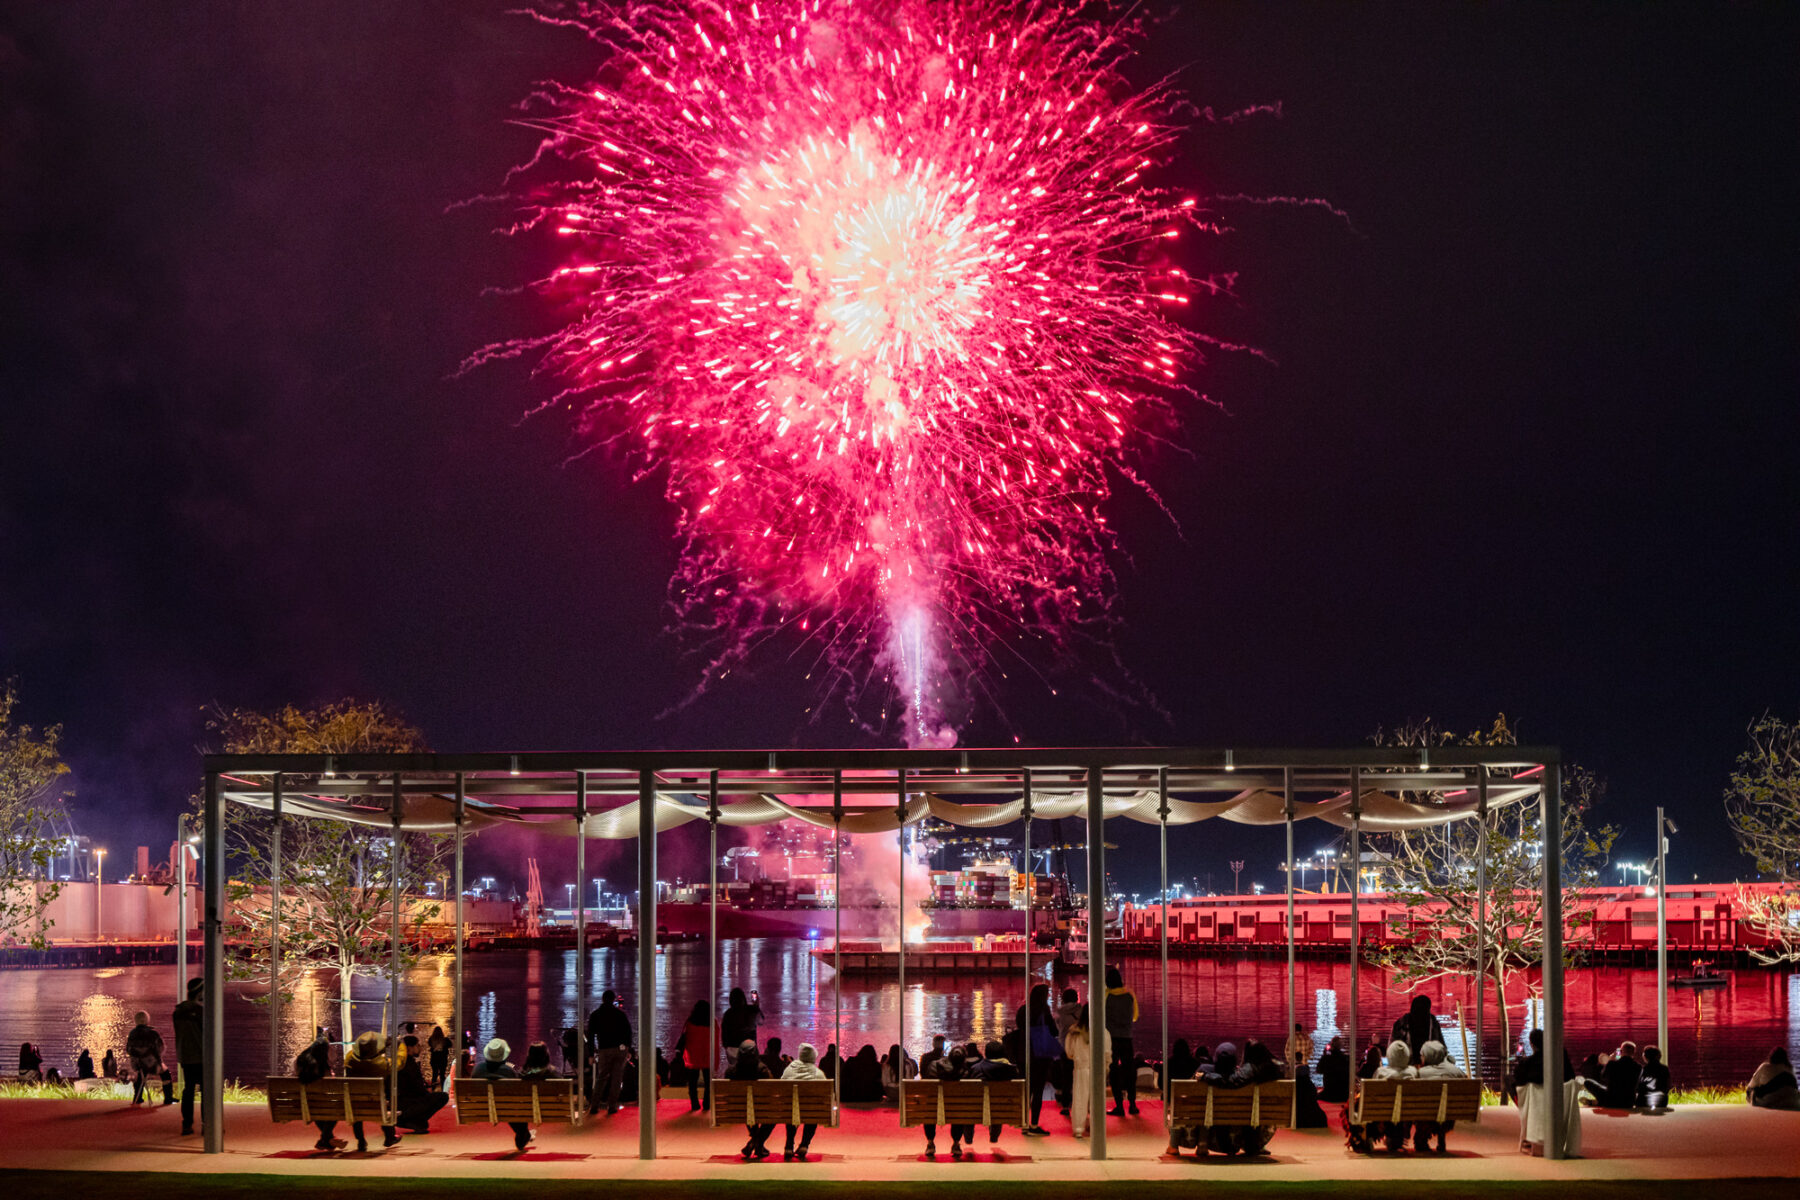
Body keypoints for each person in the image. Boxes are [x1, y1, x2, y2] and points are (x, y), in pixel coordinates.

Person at [343, 1031, 401, 1151]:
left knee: (356, 1108)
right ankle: (389, 1136)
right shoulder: (380, 1065)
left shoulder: (350, 1059)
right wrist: (401, 1046)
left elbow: (365, 1056)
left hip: (354, 1102)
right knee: (383, 1104)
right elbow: (399, 1062)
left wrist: (384, 1045)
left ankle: (361, 1140)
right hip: (376, 1103)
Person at [470, 1038, 531, 1151]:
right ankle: (523, 1134)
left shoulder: (477, 1069)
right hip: (506, 1107)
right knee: (511, 1107)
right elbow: (517, 1093)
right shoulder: (508, 1071)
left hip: (482, 1107)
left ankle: (523, 1134)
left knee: (505, 1105)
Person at [1013, 983, 1058, 1133]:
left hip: (1023, 1054)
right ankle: (1034, 1124)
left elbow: (1019, 1027)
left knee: (1027, 1090)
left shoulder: (1023, 1010)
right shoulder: (1044, 1011)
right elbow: (1054, 1030)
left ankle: (1024, 1123)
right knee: (1038, 1091)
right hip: (1040, 1055)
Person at [1410, 1040, 1466, 1152]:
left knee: (1422, 1109)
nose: (1421, 1058)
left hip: (1426, 1117)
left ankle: (1421, 1139)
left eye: (1422, 1055)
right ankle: (1441, 1137)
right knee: (1442, 1108)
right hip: (1448, 1117)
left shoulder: (1421, 1073)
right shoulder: (1457, 1072)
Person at [1064, 1003, 1110, 1139]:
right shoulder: (1103, 1031)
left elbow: (1069, 1052)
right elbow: (1107, 1052)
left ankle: (1078, 1128)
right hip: (1098, 1068)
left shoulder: (1074, 1032)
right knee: (1097, 1100)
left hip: (1081, 1067)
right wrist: (1107, 1066)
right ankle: (1096, 1126)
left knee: (1079, 1098)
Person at [294, 1035, 345, 1151]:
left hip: (305, 1103)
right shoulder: (323, 1067)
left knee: (318, 1110)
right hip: (322, 1104)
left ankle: (327, 1139)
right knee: (335, 1110)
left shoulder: (299, 1062)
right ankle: (325, 1139)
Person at [922, 1044, 972, 1158]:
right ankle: (955, 1144)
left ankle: (930, 1143)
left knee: (930, 1110)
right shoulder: (965, 1071)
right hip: (955, 1108)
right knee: (958, 1110)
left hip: (934, 1106)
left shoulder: (934, 1065)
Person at [728, 1039, 775, 1159]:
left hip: (739, 1108)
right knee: (774, 1115)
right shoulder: (762, 1070)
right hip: (761, 1108)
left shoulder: (731, 1072)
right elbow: (771, 1091)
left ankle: (754, 1142)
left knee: (748, 1111)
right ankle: (757, 1143)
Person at [587, 990, 632, 1115]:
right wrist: (628, 1048)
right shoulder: (620, 1014)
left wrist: (591, 1054)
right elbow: (628, 1032)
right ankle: (612, 1106)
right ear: (613, 1000)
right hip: (619, 1050)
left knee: (601, 1078)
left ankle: (594, 1105)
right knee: (616, 1079)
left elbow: (590, 1035)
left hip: (604, 1050)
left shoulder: (595, 1015)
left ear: (602, 999)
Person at [779, 1043, 826, 1160]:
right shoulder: (818, 1074)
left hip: (790, 1110)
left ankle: (789, 1145)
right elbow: (824, 1095)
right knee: (812, 1112)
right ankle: (804, 1144)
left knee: (792, 1110)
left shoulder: (789, 1070)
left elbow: (781, 1088)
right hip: (810, 1111)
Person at [1103, 966, 1139, 1116]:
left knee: (1114, 1071)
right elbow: (1135, 1016)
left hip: (1111, 1039)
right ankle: (1132, 1104)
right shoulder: (1130, 995)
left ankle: (1119, 1106)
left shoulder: (1106, 996)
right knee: (1129, 1071)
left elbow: (1100, 1016)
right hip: (1127, 1038)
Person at [970, 1039, 1019, 1148]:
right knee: (998, 1104)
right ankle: (994, 1135)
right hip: (1002, 1107)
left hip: (975, 1107)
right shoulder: (1011, 1070)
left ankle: (968, 1136)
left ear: (986, 1054)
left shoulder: (975, 1069)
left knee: (971, 1103)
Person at [171, 977, 204, 1134]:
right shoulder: (201, 1012)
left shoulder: (178, 1012)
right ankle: (208, 1123)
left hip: (186, 1056)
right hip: (202, 1056)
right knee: (207, 1090)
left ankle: (187, 1124)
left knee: (188, 1089)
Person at [396, 1038, 450, 1133]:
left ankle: (415, 1120)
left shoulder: (398, 1063)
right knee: (443, 1097)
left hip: (400, 1101)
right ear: (410, 1048)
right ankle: (414, 1119)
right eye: (417, 1045)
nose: (420, 1048)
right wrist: (427, 1094)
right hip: (409, 1102)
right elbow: (417, 1088)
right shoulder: (410, 1064)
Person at [675, 1000, 716, 1111]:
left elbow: (686, 1039)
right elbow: (716, 1042)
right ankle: (707, 1103)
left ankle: (694, 1103)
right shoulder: (712, 1023)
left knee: (692, 1081)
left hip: (693, 1056)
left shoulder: (690, 1023)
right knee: (708, 1082)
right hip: (707, 1056)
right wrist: (715, 1061)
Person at [1583, 1040, 1642, 1109]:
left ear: (1621, 1051)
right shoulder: (1638, 1067)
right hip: (1628, 1102)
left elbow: (1603, 1077)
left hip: (1611, 1100)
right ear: (1634, 1052)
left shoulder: (1613, 1064)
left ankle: (1598, 1102)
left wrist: (1610, 1061)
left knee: (1587, 1082)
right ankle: (1597, 1102)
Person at [125, 1012, 169, 1105]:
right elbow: (160, 1048)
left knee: (141, 1075)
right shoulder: (152, 1033)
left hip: (137, 1064)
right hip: (151, 1065)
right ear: (147, 1020)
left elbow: (128, 1049)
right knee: (165, 1073)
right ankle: (168, 1098)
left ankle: (137, 1097)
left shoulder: (132, 1034)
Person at [1051, 986, 1080, 1115]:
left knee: (1066, 1076)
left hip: (1064, 1046)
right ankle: (1079, 1102)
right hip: (1079, 1046)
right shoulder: (1081, 1010)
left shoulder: (1059, 1012)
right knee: (1080, 1075)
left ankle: (1065, 1105)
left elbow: (1057, 1027)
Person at [719, 988, 763, 1069]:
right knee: (750, 1069)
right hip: (750, 1047)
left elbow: (724, 1032)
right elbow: (760, 1022)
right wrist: (756, 1005)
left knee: (736, 1071)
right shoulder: (751, 1010)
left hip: (732, 1048)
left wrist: (726, 1046)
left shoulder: (728, 1013)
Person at [1391, 995, 1446, 1059]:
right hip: (1408, 1063)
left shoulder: (1433, 1022)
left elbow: (1393, 1048)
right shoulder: (1401, 1024)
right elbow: (1441, 1045)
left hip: (1426, 1062)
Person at [1317, 1036, 1350, 1102]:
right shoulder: (1346, 1058)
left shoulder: (1326, 1058)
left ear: (1331, 1046)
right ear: (1341, 1046)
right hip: (1344, 1095)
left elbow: (1319, 1070)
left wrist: (1324, 1055)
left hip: (1329, 1095)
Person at [1638, 1045, 1671, 1110]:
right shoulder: (1664, 1069)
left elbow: (1639, 1087)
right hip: (1662, 1101)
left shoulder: (1644, 1069)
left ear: (1645, 1057)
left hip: (1644, 1101)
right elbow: (1667, 1086)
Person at [427, 1025, 450, 1091]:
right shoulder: (445, 1040)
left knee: (434, 1074)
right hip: (443, 1060)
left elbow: (429, 1044)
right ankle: (443, 1089)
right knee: (442, 1075)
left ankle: (433, 1089)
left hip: (434, 1060)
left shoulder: (431, 1039)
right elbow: (450, 1044)